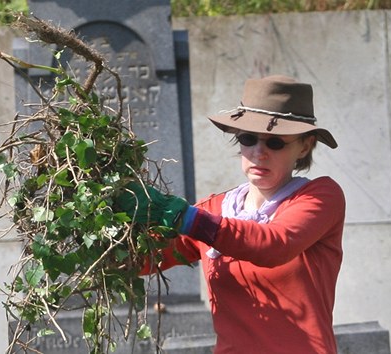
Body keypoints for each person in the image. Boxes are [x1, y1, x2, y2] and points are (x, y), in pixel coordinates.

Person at [117, 75, 345, 354]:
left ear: (305, 146)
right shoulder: (213, 210)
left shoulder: (321, 196)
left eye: (275, 143)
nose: (259, 153)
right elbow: (138, 261)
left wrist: (184, 218)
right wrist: (99, 209)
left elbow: (275, 244)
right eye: (248, 139)